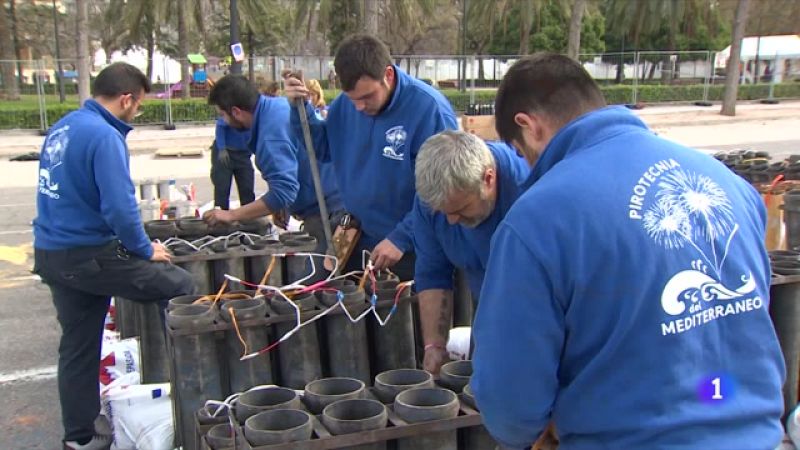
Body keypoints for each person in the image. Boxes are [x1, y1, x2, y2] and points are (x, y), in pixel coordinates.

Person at [472, 53, 785, 449]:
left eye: (520, 153)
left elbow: (511, 404)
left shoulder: (537, 220)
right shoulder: (729, 184)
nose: (527, 167)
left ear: (528, 126)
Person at [32, 62, 195, 450]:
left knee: (78, 344)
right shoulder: (105, 136)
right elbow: (120, 209)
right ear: (126, 99)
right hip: (87, 254)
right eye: (137, 106)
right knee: (180, 286)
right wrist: (144, 250)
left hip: (54, 252)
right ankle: (192, 396)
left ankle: (80, 439)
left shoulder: (66, 125)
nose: (135, 114)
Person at [284, 34, 458, 280]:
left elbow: (444, 189)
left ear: (387, 75)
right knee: (327, 301)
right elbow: (322, 149)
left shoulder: (429, 111)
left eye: (367, 97)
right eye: (353, 98)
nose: (359, 107)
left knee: (397, 316)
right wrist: (301, 109)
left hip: (411, 247)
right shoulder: (347, 104)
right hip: (356, 234)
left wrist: (402, 237)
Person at [412, 130, 530, 375]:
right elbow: (433, 272)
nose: (452, 221)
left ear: (488, 179)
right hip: (486, 308)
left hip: (536, 314)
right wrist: (434, 345)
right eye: (444, 212)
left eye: (461, 209)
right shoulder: (433, 201)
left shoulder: (529, 189)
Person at [203, 75, 342, 279]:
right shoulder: (275, 106)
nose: (224, 121)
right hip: (335, 201)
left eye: (223, 115)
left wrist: (231, 215)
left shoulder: (270, 135)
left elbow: (283, 192)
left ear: (236, 112)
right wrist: (281, 206)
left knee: (319, 288)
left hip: (328, 214)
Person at [210, 117, 255, 210]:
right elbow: (221, 126)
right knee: (222, 187)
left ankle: (249, 217)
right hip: (226, 152)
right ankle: (221, 218)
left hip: (243, 154)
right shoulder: (237, 108)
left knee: (247, 188)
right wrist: (222, 148)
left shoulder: (258, 112)